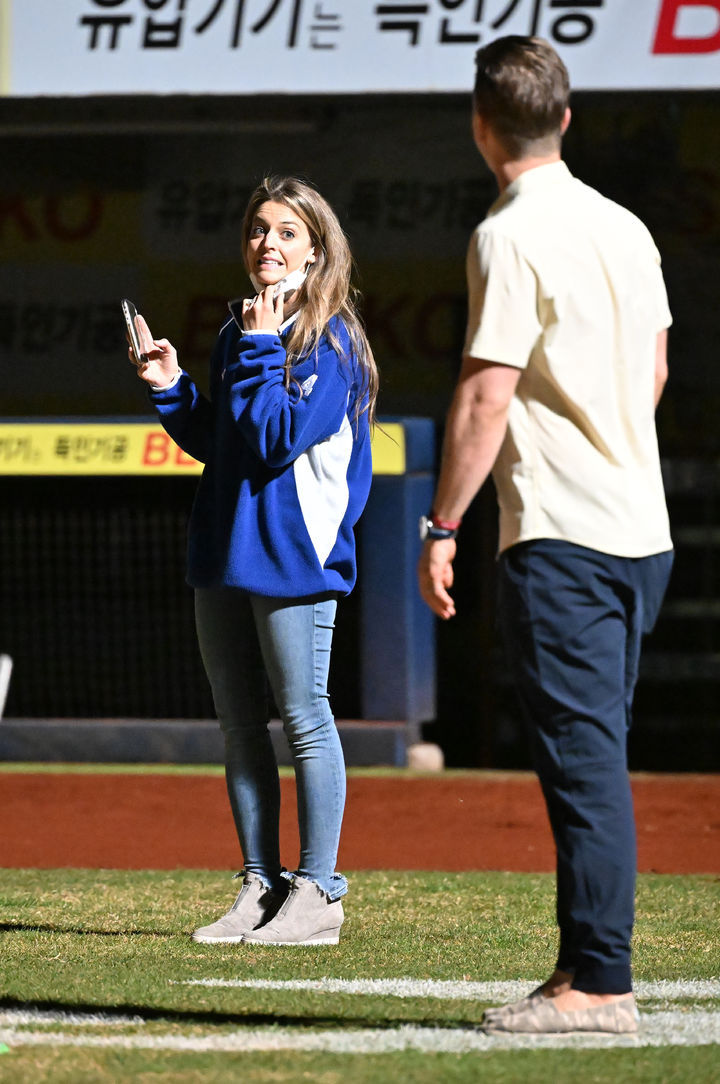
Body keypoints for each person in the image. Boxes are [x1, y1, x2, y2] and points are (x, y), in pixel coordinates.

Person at [417, 36, 673, 1034]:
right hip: (638, 529)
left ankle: (600, 984)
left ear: (482, 128)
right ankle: (581, 966)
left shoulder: (506, 232)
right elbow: (650, 373)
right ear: (564, 118)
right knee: (589, 755)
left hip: (561, 532)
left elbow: (487, 392)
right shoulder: (624, 223)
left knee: (584, 763)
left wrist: (441, 523)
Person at [130, 176, 379, 946]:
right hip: (226, 548)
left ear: (316, 248)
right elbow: (229, 443)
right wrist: (173, 388)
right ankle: (259, 887)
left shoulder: (330, 339)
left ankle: (319, 895)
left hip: (295, 557)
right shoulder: (245, 330)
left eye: (286, 232)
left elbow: (277, 440)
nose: (266, 244)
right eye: (257, 231)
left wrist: (267, 345)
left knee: (304, 719)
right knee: (240, 726)